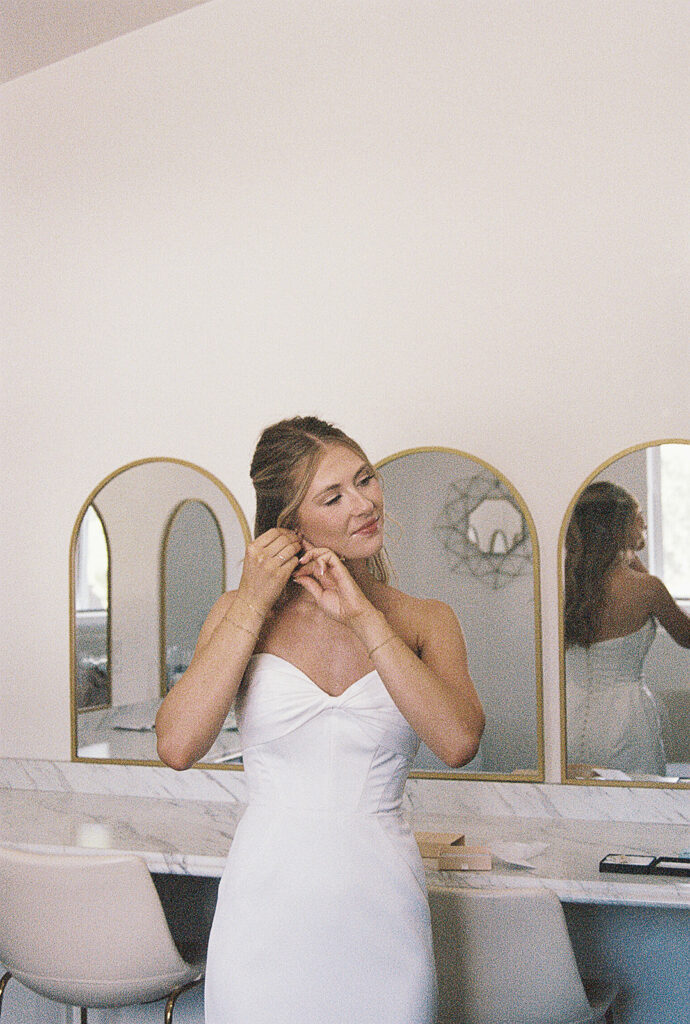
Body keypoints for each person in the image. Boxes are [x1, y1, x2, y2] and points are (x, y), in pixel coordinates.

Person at [155, 415, 484, 1024]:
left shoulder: (424, 620)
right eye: (334, 496)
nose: (364, 504)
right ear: (290, 525)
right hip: (266, 905)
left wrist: (364, 616)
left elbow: (458, 740)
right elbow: (177, 745)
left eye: (365, 480)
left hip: (383, 902)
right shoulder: (237, 614)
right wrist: (253, 602)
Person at [564, 480, 690, 776]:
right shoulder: (647, 588)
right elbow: (687, 636)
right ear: (618, 526)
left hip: (569, 713)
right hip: (626, 720)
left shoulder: (565, 585)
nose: (644, 523)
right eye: (638, 517)